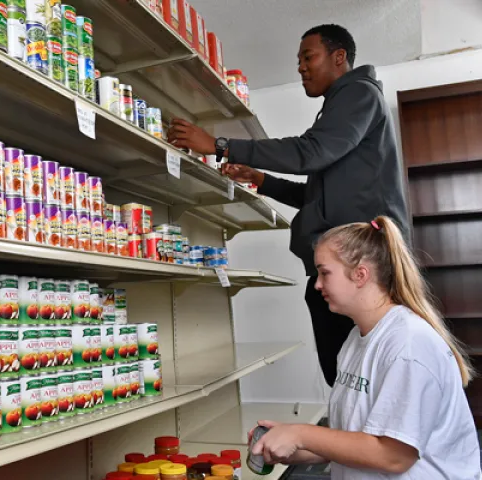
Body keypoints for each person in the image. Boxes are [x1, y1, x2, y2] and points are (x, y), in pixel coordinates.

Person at [167, 24, 410, 387]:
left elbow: (309, 152)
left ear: (339, 56)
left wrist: (219, 144)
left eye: (308, 57)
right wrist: (260, 180)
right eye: (298, 61)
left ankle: (362, 443)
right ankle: (350, 439)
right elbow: (314, 194)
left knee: (361, 381)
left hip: (359, 266)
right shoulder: (341, 112)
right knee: (346, 378)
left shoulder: (359, 94)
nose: (300, 67)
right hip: (341, 267)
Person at [247, 216, 480, 479]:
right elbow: (351, 440)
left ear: (360, 275)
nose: (317, 284)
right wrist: (292, 445)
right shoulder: (356, 339)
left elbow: (394, 456)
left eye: (324, 273)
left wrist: (301, 433)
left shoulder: (408, 344)